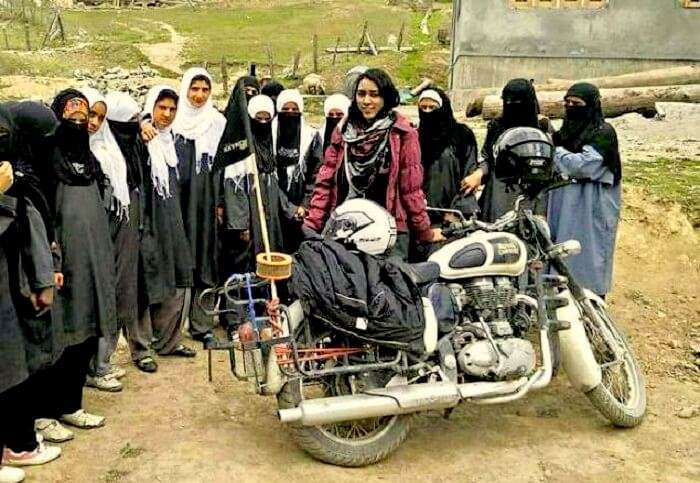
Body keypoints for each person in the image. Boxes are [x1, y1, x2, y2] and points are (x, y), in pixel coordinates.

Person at [31, 89, 116, 433]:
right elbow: (42, 211)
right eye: (71, 118)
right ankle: (43, 413)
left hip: (92, 258)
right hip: (62, 261)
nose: (79, 123)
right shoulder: (46, 158)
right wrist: (52, 259)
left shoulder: (90, 161)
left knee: (85, 330)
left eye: (84, 119)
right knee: (59, 334)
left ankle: (71, 405)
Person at [304, 68, 443, 260]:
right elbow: (325, 184)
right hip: (346, 231)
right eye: (361, 94)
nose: (366, 101)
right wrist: (312, 225)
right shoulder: (343, 132)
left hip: (389, 234)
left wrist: (423, 231)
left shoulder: (402, 134)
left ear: (386, 97)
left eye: (374, 95)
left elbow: (411, 191)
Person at [0, 126, 61, 476]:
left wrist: (43, 276)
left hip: (18, 285)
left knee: (18, 363)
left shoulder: (20, 176)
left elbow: (35, 227)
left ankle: (20, 441)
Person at [131, 85, 197, 373]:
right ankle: (141, 349)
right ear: (151, 107)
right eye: (162, 108)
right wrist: (140, 122)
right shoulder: (139, 140)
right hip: (146, 221)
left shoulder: (174, 142)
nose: (167, 114)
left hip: (172, 219)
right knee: (144, 283)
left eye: (172, 109)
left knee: (179, 277)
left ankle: (168, 341)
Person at [81, 88, 136, 392]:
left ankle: (101, 363)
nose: (94, 122)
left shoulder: (108, 147)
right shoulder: (74, 151)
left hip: (111, 229)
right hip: (89, 236)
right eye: (90, 114)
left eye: (100, 117)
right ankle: (94, 367)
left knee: (110, 294)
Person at [548, 82, 622, 298]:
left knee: (588, 259)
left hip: (591, 209)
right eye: (567, 103)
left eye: (577, 103)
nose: (571, 107)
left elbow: (583, 165)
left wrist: (555, 152)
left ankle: (593, 311)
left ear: (591, 105)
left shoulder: (603, 133)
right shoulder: (566, 132)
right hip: (564, 208)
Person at [172, 68, 226, 348]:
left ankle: (202, 324)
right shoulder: (173, 121)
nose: (199, 95)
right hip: (178, 199)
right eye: (194, 89)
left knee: (205, 255)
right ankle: (170, 328)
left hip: (205, 199)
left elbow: (223, 167)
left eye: (205, 90)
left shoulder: (217, 122)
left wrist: (219, 203)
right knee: (178, 256)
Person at [223, 94, 297, 271]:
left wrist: (291, 209)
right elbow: (234, 189)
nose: (263, 122)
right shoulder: (241, 149)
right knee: (248, 259)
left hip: (270, 217)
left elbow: (274, 187)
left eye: (267, 118)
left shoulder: (269, 146)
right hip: (250, 219)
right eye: (258, 118)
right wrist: (241, 225)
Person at [472, 78, 550, 222]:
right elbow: (487, 157)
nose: (511, 105)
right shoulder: (496, 127)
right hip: (499, 192)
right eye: (507, 101)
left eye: (517, 102)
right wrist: (479, 172)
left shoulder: (542, 130)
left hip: (533, 195)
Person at [272, 89, 323, 252]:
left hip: (301, 212)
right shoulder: (268, 137)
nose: (290, 113)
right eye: (285, 110)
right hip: (274, 208)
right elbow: (266, 177)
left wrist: (304, 205)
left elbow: (316, 174)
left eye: (295, 110)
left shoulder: (311, 138)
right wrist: (288, 208)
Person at [417, 87, 479, 217]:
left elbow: (469, 177)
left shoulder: (462, 136)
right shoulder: (414, 137)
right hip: (420, 216)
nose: (427, 112)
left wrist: (456, 214)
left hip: (452, 215)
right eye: (423, 107)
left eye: (432, 107)